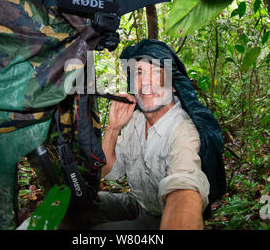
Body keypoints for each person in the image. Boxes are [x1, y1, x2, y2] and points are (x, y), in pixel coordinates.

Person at [88, 40, 211, 230]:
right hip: (138, 204)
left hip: (162, 215)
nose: (145, 82)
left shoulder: (183, 130)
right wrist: (113, 128)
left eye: (156, 72)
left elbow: (184, 185)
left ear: (174, 85)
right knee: (78, 207)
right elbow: (105, 171)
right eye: (138, 73)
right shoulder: (135, 120)